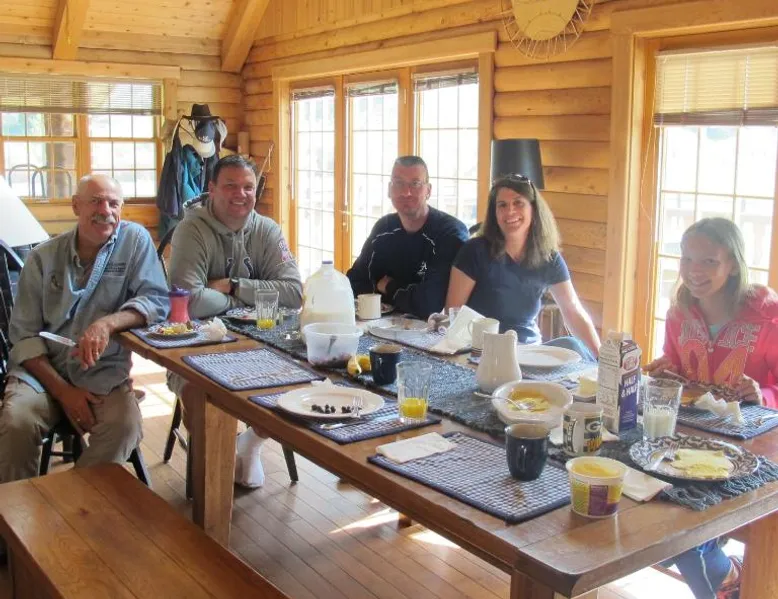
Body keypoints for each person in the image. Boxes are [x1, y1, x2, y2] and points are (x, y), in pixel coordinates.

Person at [0, 174, 169, 483]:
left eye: (113, 203)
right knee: (17, 422)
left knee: (125, 427)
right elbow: (24, 337)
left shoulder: (134, 241)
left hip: (101, 371)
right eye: (96, 201)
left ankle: (70, 501)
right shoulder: (42, 258)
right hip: (42, 371)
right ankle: (17, 508)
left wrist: (107, 323)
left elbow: (157, 299)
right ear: (76, 206)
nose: (105, 210)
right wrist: (65, 393)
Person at [646, 217, 778, 599]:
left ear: (733, 264)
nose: (694, 271)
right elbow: (678, 366)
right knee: (657, 501)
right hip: (693, 442)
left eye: (709, 261)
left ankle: (726, 579)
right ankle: (725, 578)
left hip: (755, 452)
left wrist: (762, 394)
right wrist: (667, 370)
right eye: (687, 259)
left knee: (679, 520)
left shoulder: (767, 315)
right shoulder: (679, 312)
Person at [168, 154, 303, 488]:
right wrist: (249, 299)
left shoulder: (267, 230)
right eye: (230, 186)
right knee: (199, 392)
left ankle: (250, 443)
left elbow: (293, 293)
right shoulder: (190, 230)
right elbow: (191, 301)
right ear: (212, 188)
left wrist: (233, 286)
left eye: (248, 187)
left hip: (264, 341)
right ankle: (218, 466)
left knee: (301, 382)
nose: (240, 194)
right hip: (197, 343)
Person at [446, 174, 600, 357]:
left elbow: (573, 310)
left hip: (529, 350)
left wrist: (601, 358)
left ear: (533, 208)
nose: (510, 211)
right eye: (502, 205)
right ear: (494, 213)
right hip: (484, 351)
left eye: (518, 203)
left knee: (572, 345)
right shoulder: (474, 250)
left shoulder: (549, 257)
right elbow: (453, 312)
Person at [346, 156, 469, 320]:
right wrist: (405, 296)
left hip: (432, 329)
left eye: (415, 184)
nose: (406, 192)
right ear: (389, 189)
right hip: (381, 324)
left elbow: (430, 304)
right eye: (399, 183)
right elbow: (353, 283)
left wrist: (388, 286)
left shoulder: (449, 233)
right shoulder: (383, 228)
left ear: (428, 190)